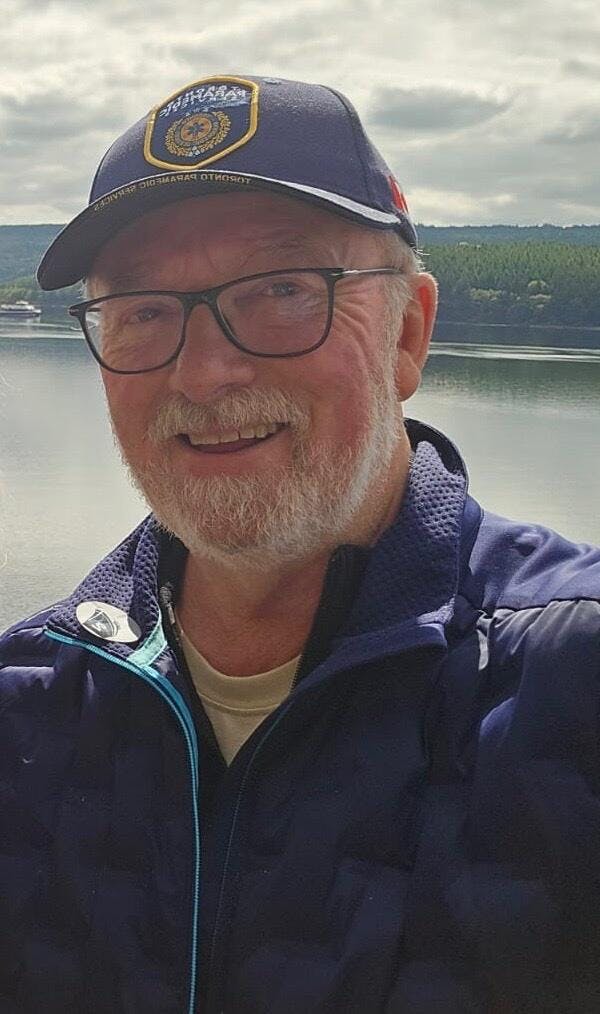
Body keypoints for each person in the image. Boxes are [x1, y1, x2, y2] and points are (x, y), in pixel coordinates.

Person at [2, 74, 600, 1014]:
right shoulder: (28, 708)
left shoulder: (570, 688)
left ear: (407, 334)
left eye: (283, 290)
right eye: (144, 310)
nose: (205, 372)